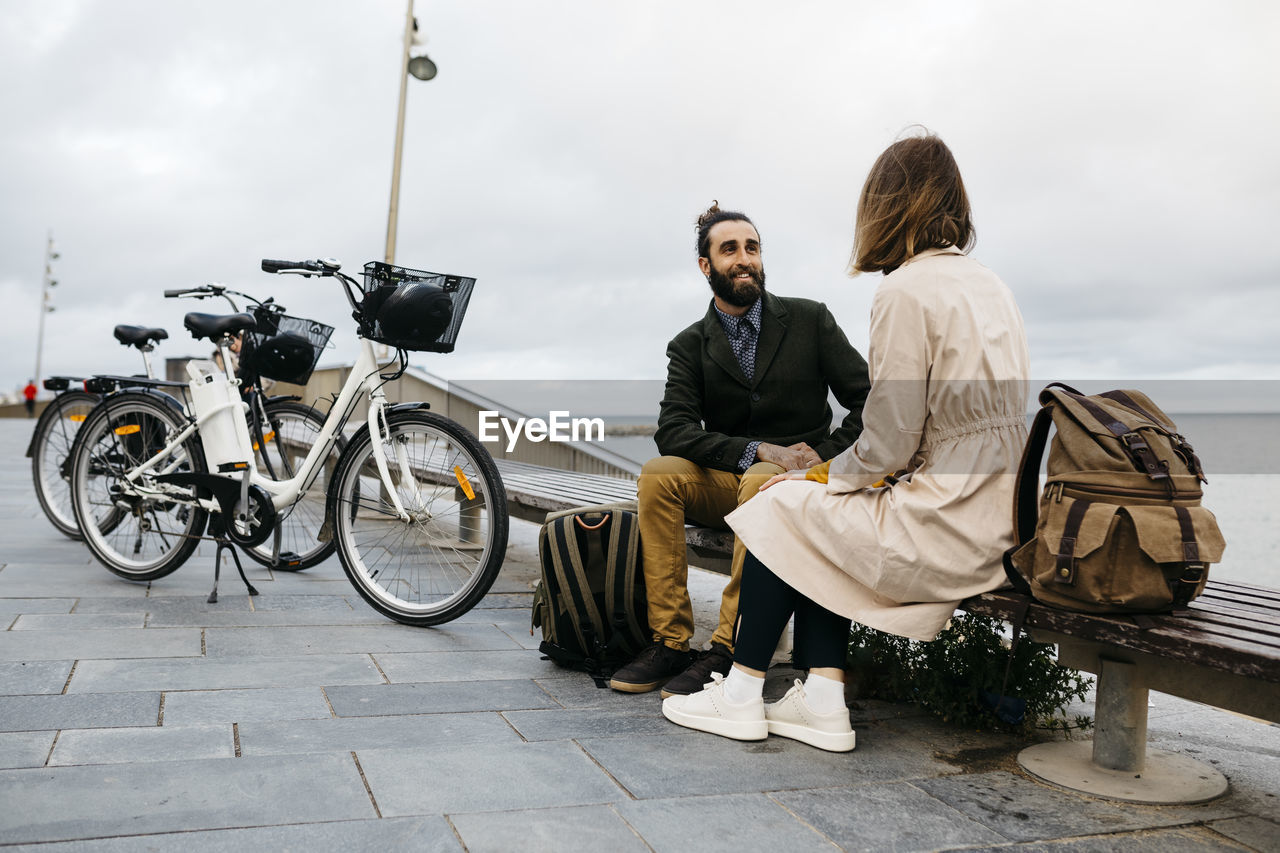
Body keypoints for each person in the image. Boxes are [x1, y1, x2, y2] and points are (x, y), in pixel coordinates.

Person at [661, 132, 1031, 752]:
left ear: (886, 204)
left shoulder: (905, 290)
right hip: (1004, 515)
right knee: (825, 513)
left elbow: (888, 441)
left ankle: (742, 692)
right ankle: (824, 699)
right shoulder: (990, 284)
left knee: (781, 506)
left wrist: (815, 475)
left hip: (950, 522)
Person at [608, 202, 871, 697]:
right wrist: (757, 448)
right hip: (730, 481)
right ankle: (669, 643)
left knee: (761, 481)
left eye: (752, 247)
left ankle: (729, 648)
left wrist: (822, 455)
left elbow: (870, 404)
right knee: (659, 473)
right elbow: (674, 431)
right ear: (707, 266)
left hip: (795, 487)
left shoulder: (811, 320)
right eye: (729, 249)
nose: (744, 258)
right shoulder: (689, 344)